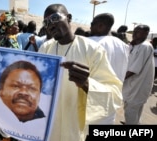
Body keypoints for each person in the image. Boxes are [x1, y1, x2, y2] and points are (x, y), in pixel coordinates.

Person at [38, 4, 122, 141]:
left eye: (54, 18)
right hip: (48, 123)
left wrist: (87, 84)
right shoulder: (45, 48)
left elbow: (114, 93)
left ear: (69, 18)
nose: (50, 25)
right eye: (46, 22)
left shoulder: (92, 50)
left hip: (73, 125)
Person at [0, 60, 50, 140]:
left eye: (31, 88)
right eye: (15, 86)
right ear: (1, 91)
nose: (23, 92)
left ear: (39, 95)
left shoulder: (49, 125)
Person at [122, 25, 154, 125]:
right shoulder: (136, 45)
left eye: (138, 32)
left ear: (146, 34)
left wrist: (119, 78)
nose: (134, 34)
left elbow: (133, 70)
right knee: (135, 112)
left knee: (130, 111)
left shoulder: (145, 46)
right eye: (134, 31)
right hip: (133, 85)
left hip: (138, 86)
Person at [89, 13, 129, 82]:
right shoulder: (124, 45)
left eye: (92, 24)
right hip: (115, 90)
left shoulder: (90, 42)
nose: (90, 28)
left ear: (100, 26)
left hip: (93, 90)